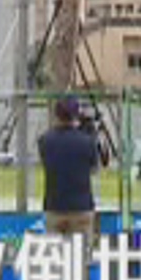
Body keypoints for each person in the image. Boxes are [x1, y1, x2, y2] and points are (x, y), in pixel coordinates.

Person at [38, 96, 103, 240]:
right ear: (75, 115)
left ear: (56, 115)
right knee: (82, 249)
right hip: (81, 207)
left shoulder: (45, 141)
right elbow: (94, 168)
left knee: (55, 250)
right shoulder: (86, 142)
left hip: (54, 206)